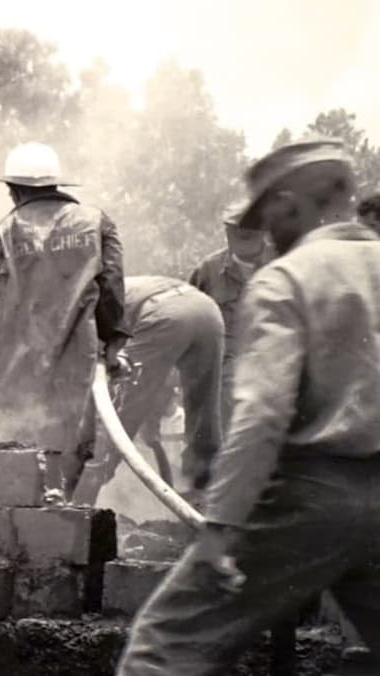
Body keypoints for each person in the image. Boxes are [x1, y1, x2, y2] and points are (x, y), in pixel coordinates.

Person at [117, 140, 380, 675]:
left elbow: (262, 416)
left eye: (267, 217)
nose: (263, 233)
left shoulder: (288, 279)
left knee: (164, 646)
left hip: (310, 497)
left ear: (288, 204)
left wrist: (221, 525)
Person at [0, 142, 128, 484]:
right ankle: (60, 506)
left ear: (13, 190)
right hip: (77, 357)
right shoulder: (96, 222)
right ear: (56, 184)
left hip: (17, 363)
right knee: (70, 445)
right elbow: (111, 287)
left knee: (16, 449)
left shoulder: (4, 231)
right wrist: (113, 344)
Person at [69, 276, 223, 507]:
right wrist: (151, 419)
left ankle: (79, 501)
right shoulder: (124, 288)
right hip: (207, 310)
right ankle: (208, 495)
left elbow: (104, 386)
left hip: (163, 314)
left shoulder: (80, 306)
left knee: (119, 412)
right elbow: (159, 376)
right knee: (204, 412)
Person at [187, 199, 273, 404]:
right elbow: (188, 322)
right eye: (235, 231)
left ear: (263, 232)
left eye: (249, 232)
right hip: (222, 383)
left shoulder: (283, 266)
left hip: (271, 378)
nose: (242, 236)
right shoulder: (208, 270)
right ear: (227, 233)